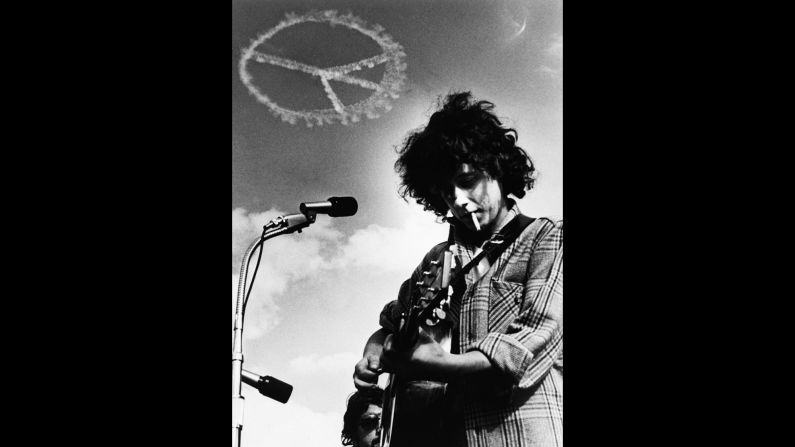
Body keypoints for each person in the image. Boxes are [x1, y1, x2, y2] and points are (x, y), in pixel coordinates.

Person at [352, 91, 563, 447]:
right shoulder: (437, 259)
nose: (459, 200)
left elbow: (533, 340)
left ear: (497, 168)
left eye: (467, 181)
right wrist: (373, 350)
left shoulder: (549, 238)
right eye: (447, 193)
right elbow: (391, 325)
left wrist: (438, 363)